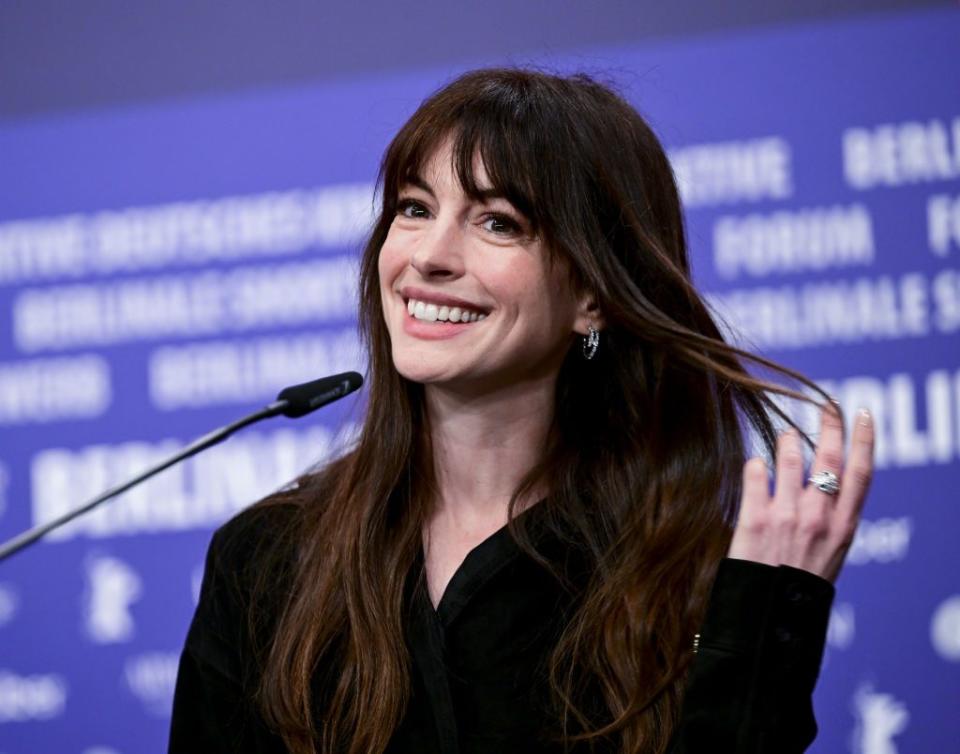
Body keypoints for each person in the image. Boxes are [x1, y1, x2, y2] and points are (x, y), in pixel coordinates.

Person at [169, 68, 874, 754]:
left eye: (498, 223)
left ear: (593, 296)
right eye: (414, 209)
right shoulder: (265, 560)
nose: (430, 257)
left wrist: (755, 635)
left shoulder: (688, 576)